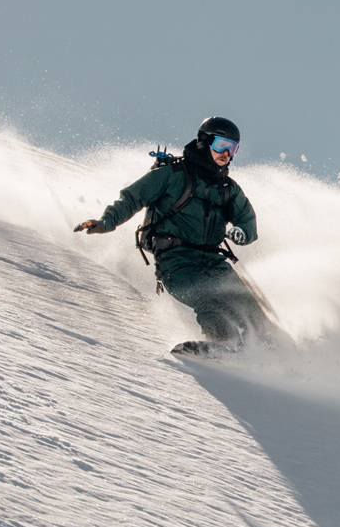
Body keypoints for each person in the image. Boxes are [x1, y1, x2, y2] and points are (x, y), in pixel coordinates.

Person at [75, 117, 271, 356]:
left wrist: (242, 233)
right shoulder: (173, 175)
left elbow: (247, 221)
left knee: (249, 306)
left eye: (233, 148)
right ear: (204, 142)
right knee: (208, 298)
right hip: (177, 263)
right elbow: (132, 198)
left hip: (214, 262)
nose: (227, 154)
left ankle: (272, 348)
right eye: (222, 145)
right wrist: (105, 222)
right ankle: (223, 342)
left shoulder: (227, 188)